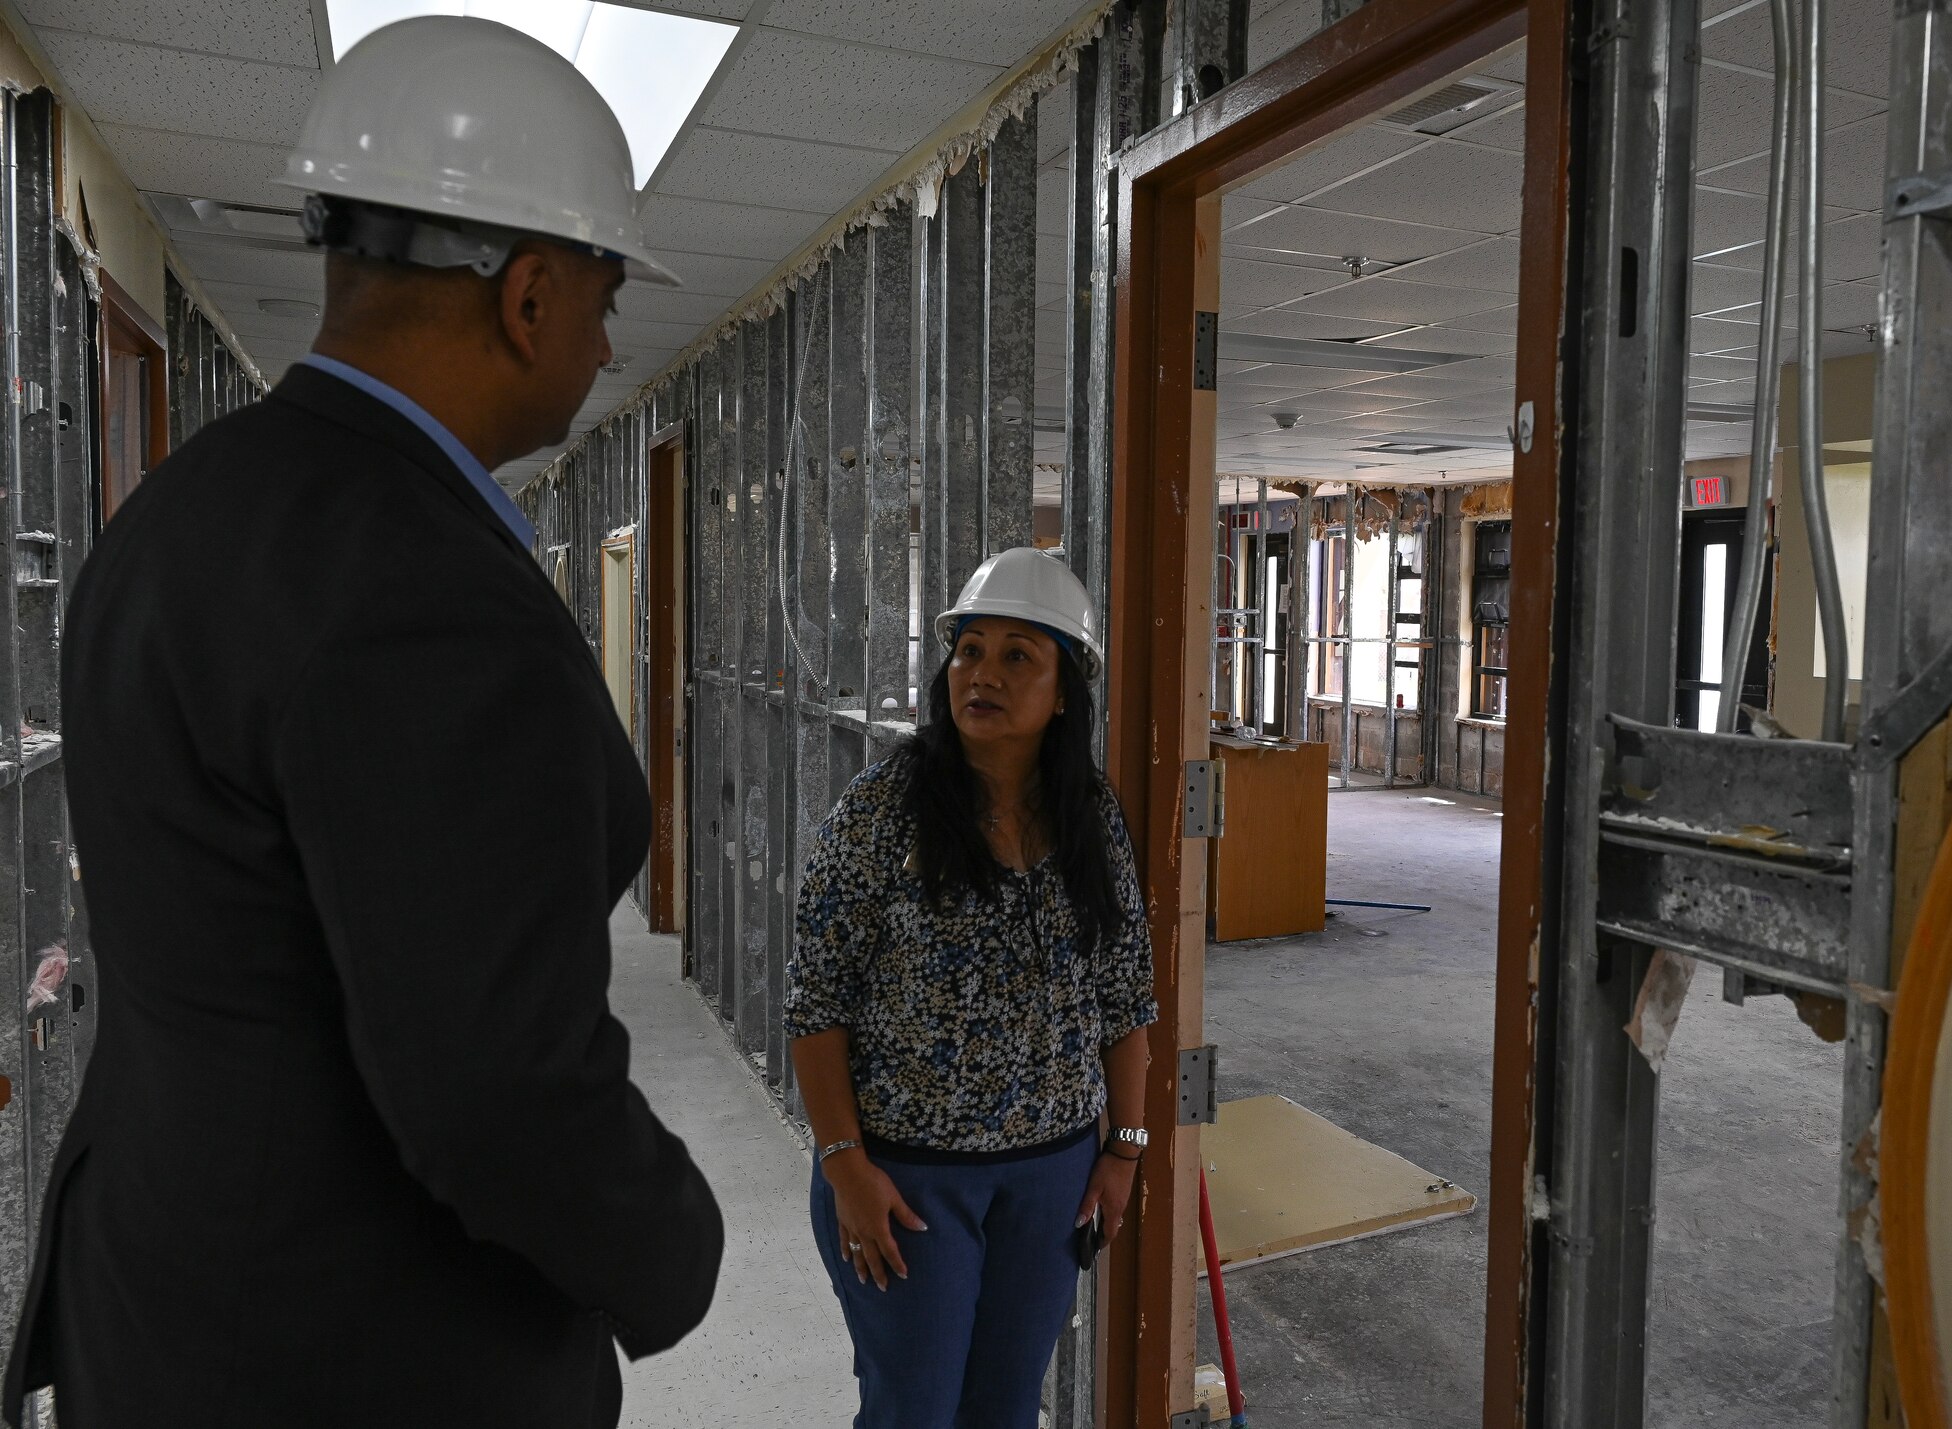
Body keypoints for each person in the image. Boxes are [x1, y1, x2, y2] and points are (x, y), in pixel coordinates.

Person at [3, 18, 722, 1429]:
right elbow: (492, 1085)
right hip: (353, 1348)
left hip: (166, 1305)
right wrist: (672, 1249)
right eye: (603, 290)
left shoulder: (176, 516)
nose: (608, 333)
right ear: (527, 296)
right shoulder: (430, 592)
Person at [784, 547, 1158, 1429]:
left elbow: (1126, 998)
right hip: (909, 1183)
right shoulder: (882, 809)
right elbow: (816, 1003)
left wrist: (1125, 1148)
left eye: (1016, 655)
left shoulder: (1091, 817)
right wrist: (845, 1167)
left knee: (1002, 1411)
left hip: (1051, 1181)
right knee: (913, 1408)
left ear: (1063, 689)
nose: (982, 673)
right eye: (969, 650)